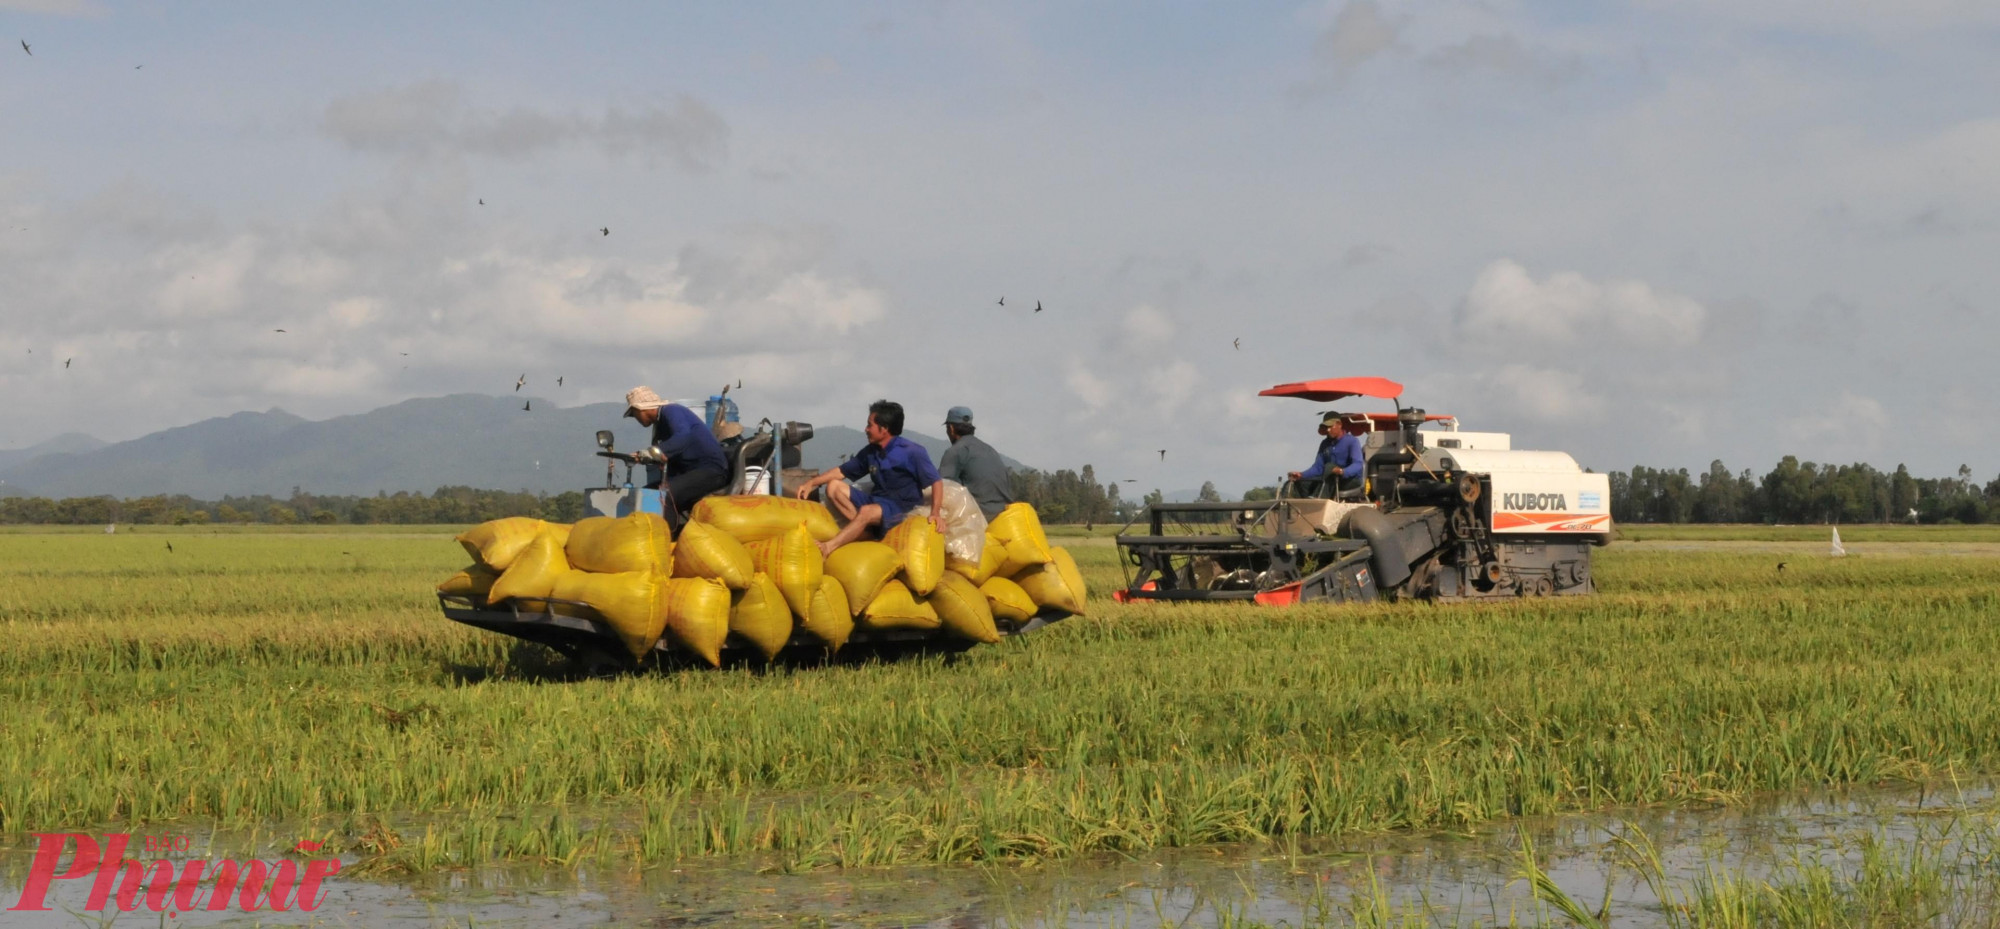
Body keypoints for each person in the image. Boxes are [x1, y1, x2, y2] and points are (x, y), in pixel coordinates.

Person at [794, 399, 945, 556]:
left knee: (866, 511)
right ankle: (864, 532)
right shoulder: (871, 452)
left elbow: (936, 481)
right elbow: (841, 472)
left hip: (901, 508)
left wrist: (935, 513)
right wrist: (811, 483)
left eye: (870, 425)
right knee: (833, 486)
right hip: (877, 501)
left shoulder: (912, 451)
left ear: (884, 428)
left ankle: (829, 547)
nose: (866, 429)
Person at [623, 386, 732, 527]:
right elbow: (668, 453)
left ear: (641, 409)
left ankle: (667, 538)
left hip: (710, 471)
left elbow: (683, 437)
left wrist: (652, 452)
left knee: (665, 495)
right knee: (645, 493)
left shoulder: (671, 411)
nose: (636, 418)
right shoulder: (660, 423)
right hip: (689, 472)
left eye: (634, 414)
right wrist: (648, 456)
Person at [937, 406, 1015, 520]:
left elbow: (942, 488)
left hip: (978, 516)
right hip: (1004, 514)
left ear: (951, 428)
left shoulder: (955, 451)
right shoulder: (989, 450)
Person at [1288, 411, 1364, 495]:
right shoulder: (1325, 444)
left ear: (1339, 424)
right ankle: (1302, 505)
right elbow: (1318, 467)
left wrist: (1343, 471)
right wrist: (1301, 475)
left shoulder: (1352, 441)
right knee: (1301, 482)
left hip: (1349, 480)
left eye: (1330, 426)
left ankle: (1317, 501)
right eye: (1326, 427)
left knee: (1329, 467)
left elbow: (1358, 464)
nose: (1328, 429)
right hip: (1328, 478)